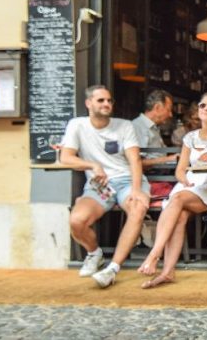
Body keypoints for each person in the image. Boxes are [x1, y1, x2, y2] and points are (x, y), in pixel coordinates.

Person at [137, 91, 207, 288]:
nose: (206, 109)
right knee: (180, 214)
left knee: (176, 200)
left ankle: (154, 255)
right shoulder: (190, 137)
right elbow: (180, 170)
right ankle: (167, 272)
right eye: (203, 105)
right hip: (193, 183)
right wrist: (183, 180)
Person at [58, 85, 150, 289]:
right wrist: (92, 165)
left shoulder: (124, 125)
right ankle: (94, 253)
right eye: (101, 101)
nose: (107, 104)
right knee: (77, 220)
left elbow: (135, 160)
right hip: (100, 185)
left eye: (109, 100)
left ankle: (113, 268)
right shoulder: (77, 125)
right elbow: (66, 157)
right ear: (88, 103)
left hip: (128, 181)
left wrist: (136, 190)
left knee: (137, 208)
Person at [132, 89, 178, 166]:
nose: (170, 115)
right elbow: (137, 162)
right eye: (168, 110)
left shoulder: (153, 128)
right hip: (149, 176)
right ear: (157, 108)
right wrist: (168, 159)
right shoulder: (138, 127)